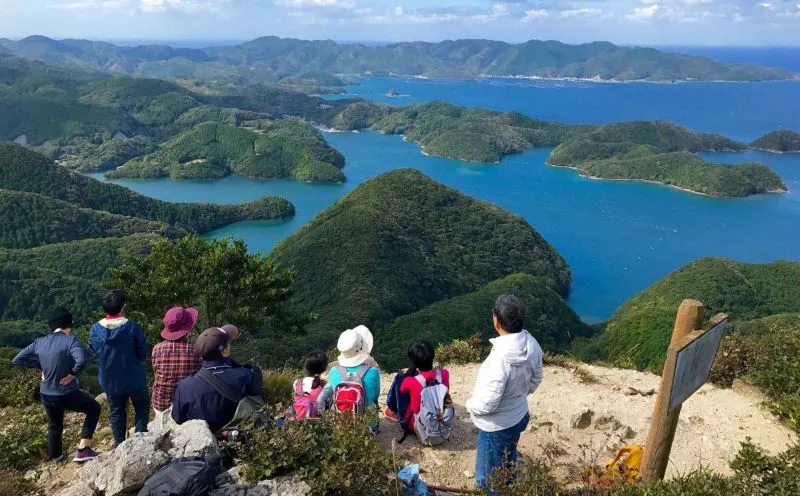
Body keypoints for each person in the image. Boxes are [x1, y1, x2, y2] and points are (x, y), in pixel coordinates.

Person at [466, 295, 543, 494]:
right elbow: (536, 378)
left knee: (487, 479)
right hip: (519, 414)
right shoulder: (531, 344)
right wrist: (519, 394)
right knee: (508, 452)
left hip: (497, 425)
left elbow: (488, 403)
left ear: (496, 321)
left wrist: (470, 405)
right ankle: (509, 479)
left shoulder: (499, 359)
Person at [12, 308, 101, 463]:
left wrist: (41, 366)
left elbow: (17, 360)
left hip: (46, 393)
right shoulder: (71, 341)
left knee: (54, 424)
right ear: (69, 325)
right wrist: (72, 374)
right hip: (66, 393)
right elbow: (81, 359)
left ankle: (56, 457)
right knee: (94, 408)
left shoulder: (40, 342)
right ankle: (83, 450)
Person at [171, 327, 263, 432]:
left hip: (203, 440)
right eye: (229, 344)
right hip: (240, 437)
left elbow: (177, 418)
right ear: (224, 352)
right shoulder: (247, 375)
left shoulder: (185, 386)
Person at [88, 289, 149, 446]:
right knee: (142, 406)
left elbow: (95, 351)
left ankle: (120, 444)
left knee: (116, 412)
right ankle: (140, 439)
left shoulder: (95, 329)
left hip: (110, 379)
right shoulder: (132, 327)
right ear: (124, 307)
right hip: (134, 376)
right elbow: (142, 352)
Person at [151, 306, 202, 426]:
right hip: (186, 404)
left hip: (160, 404)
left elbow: (156, 374)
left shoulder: (157, 349)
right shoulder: (195, 350)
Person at [397, 341, 450, 432]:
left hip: (420, 424)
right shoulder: (444, 374)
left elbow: (401, 390)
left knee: (399, 377)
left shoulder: (410, 381)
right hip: (441, 421)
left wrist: (410, 372)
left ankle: (393, 412)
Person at [326, 325, 381, 411]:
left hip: (341, 421)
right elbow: (375, 397)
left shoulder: (333, 371)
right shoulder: (373, 372)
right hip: (367, 422)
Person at [291, 350, 331, 417]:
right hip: (317, 420)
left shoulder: (297, 382)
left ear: (307, 367)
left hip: (298, 419)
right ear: (325, 368)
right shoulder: (325, 385)